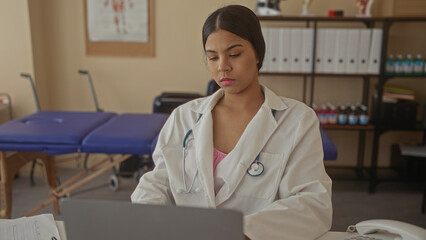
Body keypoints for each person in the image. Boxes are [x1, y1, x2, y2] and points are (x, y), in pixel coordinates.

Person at [131, 5, 332, 240]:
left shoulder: (297, 120)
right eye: (212, 57)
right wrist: (150, 221)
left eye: (234, 54)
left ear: (257, 53)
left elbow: (312, 205)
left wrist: (240, 232)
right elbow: (158, 184)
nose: (222, 66)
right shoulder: (183, 117)